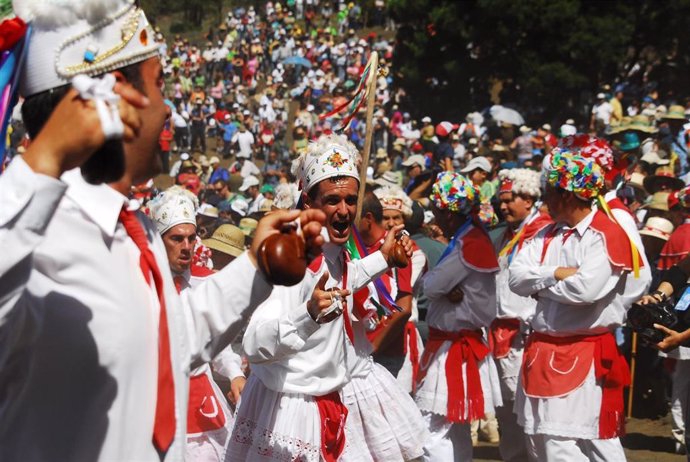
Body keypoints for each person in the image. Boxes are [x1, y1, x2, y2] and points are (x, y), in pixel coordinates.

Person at [0, 1, 326, 459]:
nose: (168, 108)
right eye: (158, 84)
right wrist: (44, 163)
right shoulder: (34, 234)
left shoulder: (132, 231)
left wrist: (257, 267)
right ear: (114, 98)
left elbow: (166, 345)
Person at [230, 134, 426, 461]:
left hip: (328, 395)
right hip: (291, 409)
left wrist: (385, 259)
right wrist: (307, 315)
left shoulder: (333, 251)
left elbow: (345, 282)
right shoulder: (291, 258)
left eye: (351, 200)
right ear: (308, 202)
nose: (345, 210)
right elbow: (253, 343)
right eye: (333, 200)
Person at [508, 150, 650, 461]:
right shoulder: (548, 233)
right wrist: (556, 273)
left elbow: (586, 290)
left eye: (549, 191)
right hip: (542, 351)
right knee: (545, 438)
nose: (544, 199)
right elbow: (515, 277)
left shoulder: (606, 232)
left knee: (563, 442)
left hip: (581, 351)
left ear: (567, 194)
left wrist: (540, 286)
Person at [149, 187, 246, 462]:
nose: (187, 247)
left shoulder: (206, 281)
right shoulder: (140, 283)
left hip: (201, 398)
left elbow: (217, 341)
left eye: (192, 238)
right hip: (155, 399)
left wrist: (234, 373)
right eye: (177, 239)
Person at [415, 171, 502, 462]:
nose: (435, 220)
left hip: (454, 349)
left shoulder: (468, 242)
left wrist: (444, 287)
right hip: (460, 345)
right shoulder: (472, 236)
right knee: (456, 429)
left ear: (449, 214)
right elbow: (440, 286)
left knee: (431, 430)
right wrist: (445, 288)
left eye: (438, 213)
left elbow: (431, 285)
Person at [493, 168, 552, 461]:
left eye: (509, 199)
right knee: (509, 412)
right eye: (501, 200)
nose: (502, 206)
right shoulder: (510, 233)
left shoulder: (543, 231)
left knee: (529, 413)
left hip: (527, 334)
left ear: (528, 199)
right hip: (503, 334)